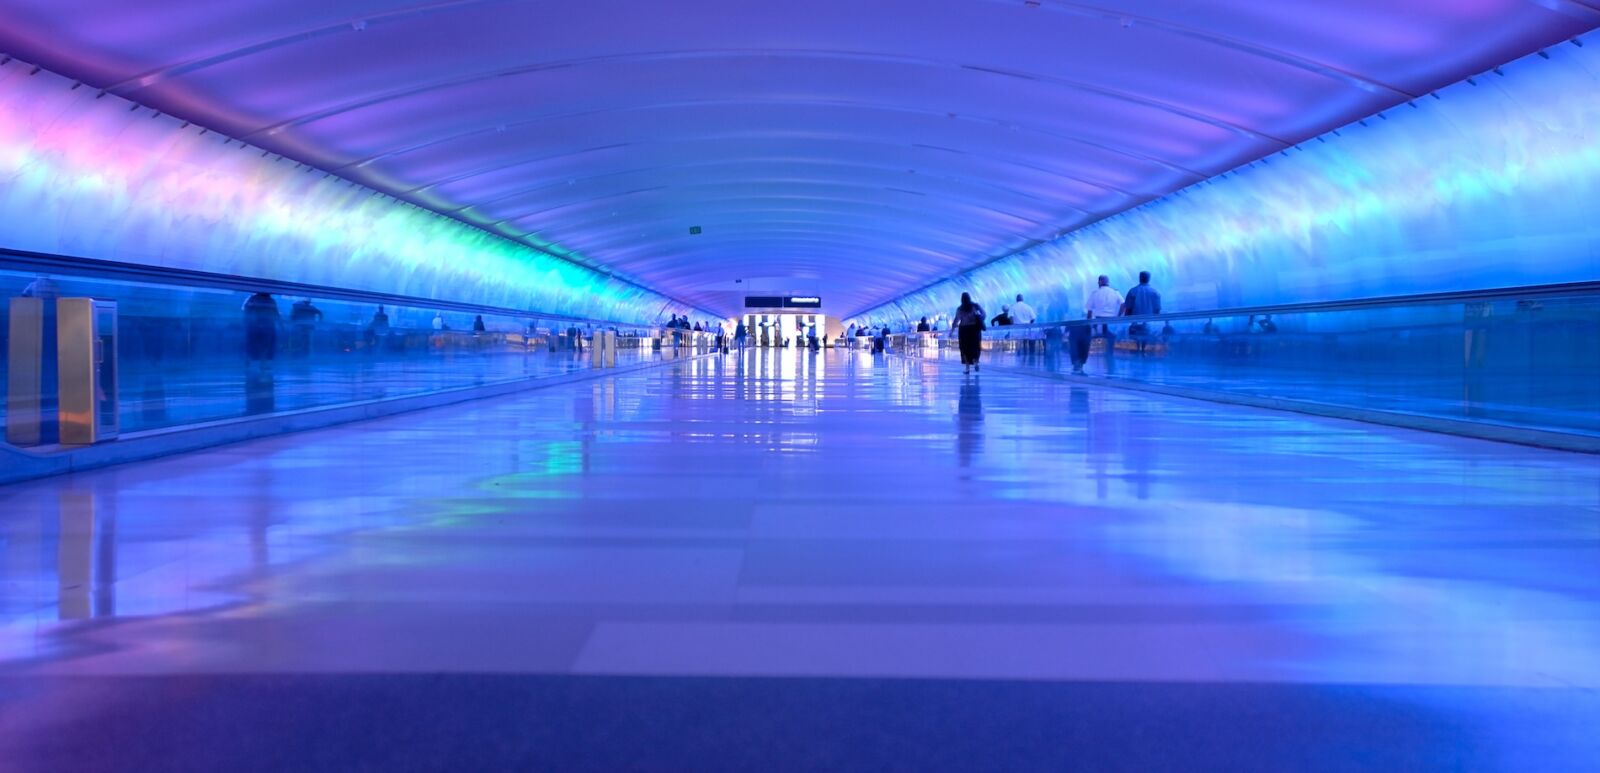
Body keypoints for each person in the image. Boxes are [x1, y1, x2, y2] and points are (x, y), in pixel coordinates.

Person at [1122, 270, 1162, 354]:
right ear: (1149, 279)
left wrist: (1127, 320)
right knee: (1145, 339)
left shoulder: (1132, 291)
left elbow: (1128, 308)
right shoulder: (1155, 292)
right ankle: (1143, 353)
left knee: (1136, 340)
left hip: (1135, 323)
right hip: (1148, 323)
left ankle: (1137, 352)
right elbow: (1157, 310)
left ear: (1139, 278)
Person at [242, 292, 280, 368]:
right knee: (265, 345)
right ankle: (262, 363)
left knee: (257, 345)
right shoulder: (270, 300)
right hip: (265, 326)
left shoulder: (252, 299)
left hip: (257, 326)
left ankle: (255, 363)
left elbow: (245, 310)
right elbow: (276, 314)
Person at [953, 292, 986, 374]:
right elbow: (984, 314)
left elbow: (956, 320)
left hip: (964, 330)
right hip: (975, 329)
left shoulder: (960, 309)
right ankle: (976, 362)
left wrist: (952, 331)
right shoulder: (975, 306)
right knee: (975, 347)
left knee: (965, 349)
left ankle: (967, 368)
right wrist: (979, 319)